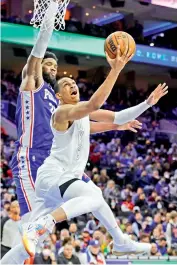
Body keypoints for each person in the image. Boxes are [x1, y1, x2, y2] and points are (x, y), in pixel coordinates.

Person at [20, 44, 168, 259]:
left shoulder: (81, 116)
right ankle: (50, 224)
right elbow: (94, 103)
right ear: (59, 96)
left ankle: (120, 240)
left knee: (23, 249)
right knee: (95, 195)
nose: (73, 85)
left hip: (60, 184)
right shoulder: (62, 112)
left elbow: (117, 118)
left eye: (74, 82)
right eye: (67, 84)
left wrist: (147, 103)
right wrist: (116, 69)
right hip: (55, 176)